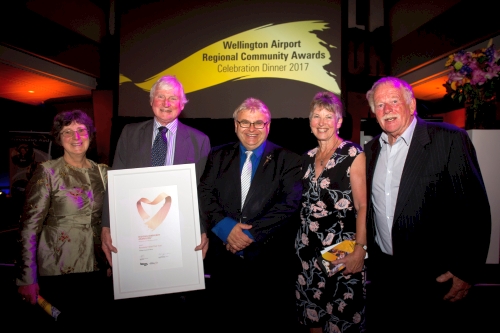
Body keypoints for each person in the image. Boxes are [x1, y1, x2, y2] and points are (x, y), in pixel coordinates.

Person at [364, 77, 491, 333]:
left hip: (433, 278)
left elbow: (475, 210)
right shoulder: (369, 151)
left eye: (393, 101)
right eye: (379, 105)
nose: (386, 109)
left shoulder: (449, 140)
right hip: (385, 277)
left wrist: (465, 271)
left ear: (411, 105)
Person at [198, 97, 303, 333]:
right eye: (245, 123)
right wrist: (226, 229)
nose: (252, 129)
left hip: (269, 263)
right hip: (225, 260)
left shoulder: (289, 159)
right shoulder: (217, 156)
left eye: (259, 123)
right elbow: (204, 194)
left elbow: (289, 204)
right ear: (235, 125)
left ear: (268, 126)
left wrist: (250, 234)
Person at [100, 75, 211, 263]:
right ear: (152, 101)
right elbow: (115, 183)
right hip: (133, 227)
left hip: (180, 230)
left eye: (173, 98)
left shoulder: (199, 141)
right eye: (160, 96)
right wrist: (107, 225)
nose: (166, 103)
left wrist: (202, 230)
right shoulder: (129, 134)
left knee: (175, 286)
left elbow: (202, 192)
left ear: (182, 105)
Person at [16, 110, 110, 321]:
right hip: (58, 268)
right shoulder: (47, 172)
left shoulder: (103, 172)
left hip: (96, 268)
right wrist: (26, 278)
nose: (76, 137)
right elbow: (29, 227)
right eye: (68, 132)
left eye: (81, 130)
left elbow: (117, 218)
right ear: (59, 139)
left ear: (90, 135)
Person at [295, 92, 367, 333]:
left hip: (340, 253)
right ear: (310, 122)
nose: (322, 122)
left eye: (329, 116)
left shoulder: (352, 154)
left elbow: (362, 206)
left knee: (339, 320)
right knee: (312, 318)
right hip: (306, 254)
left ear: (339, 122)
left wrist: (360, 249)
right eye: (317, 116)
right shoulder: (305, 159)